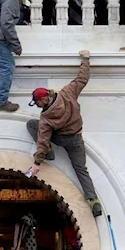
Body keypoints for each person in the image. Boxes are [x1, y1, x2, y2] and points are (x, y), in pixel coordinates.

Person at [25, 50, 102, 217]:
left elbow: (43, 140)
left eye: (37, 102)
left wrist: (37, 162)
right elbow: (82, 78)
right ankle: (93, 200)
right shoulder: (68, 93)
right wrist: (85, 58)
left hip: (60, 139)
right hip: (76, 139)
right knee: (81, 169)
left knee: (31, 125)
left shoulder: (45, 118)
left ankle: (50, 154)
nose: (37, 105)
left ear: (44, 99)